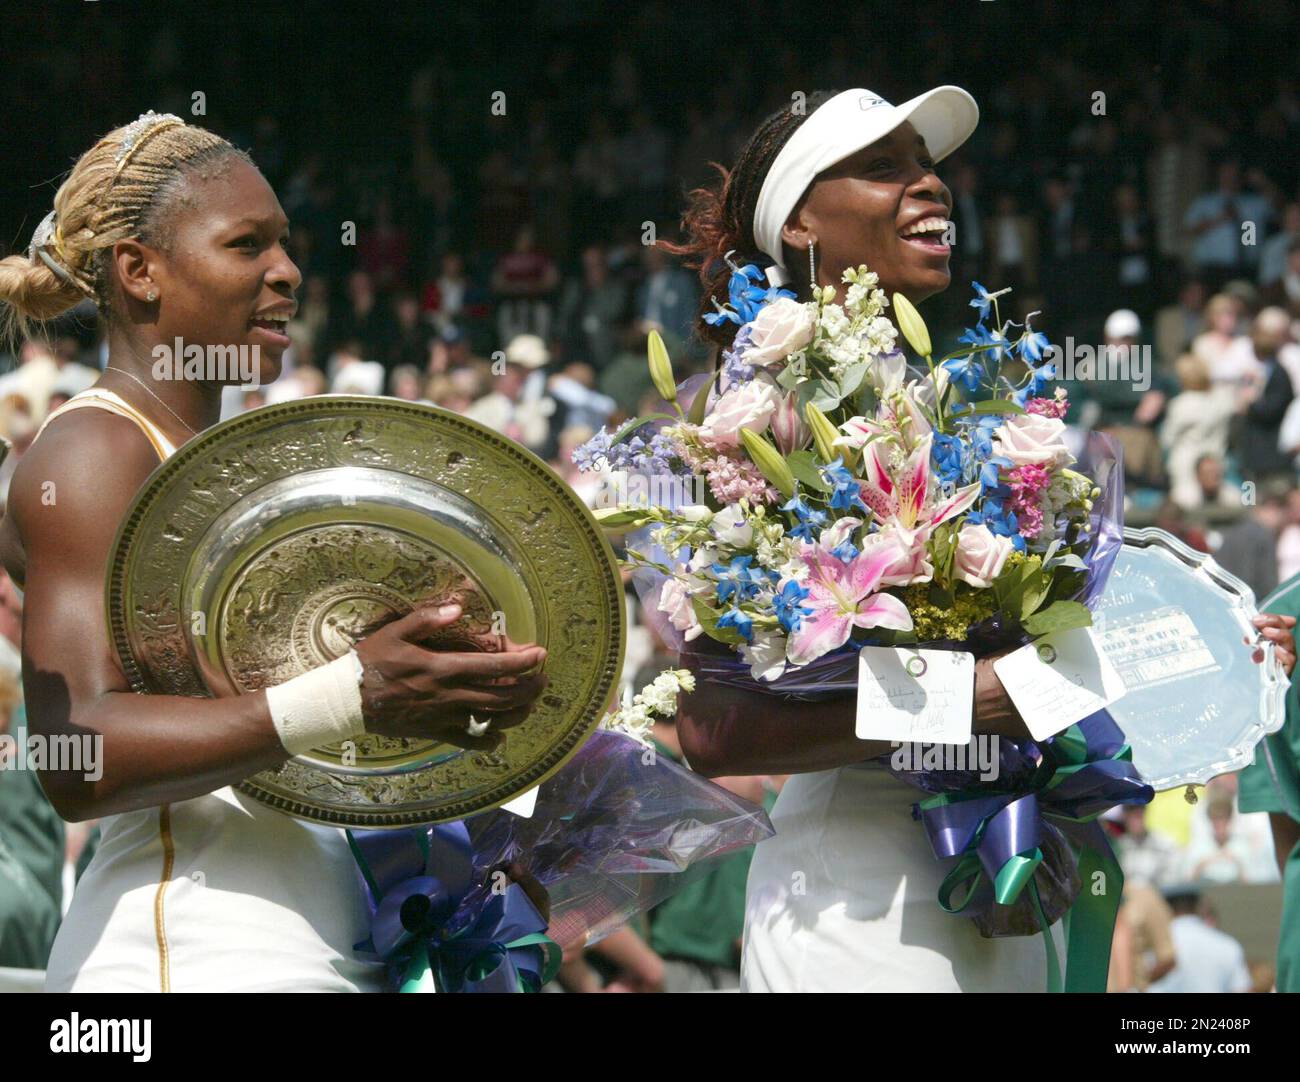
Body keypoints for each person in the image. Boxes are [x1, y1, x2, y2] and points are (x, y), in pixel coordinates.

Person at [664, 84, 1297, 994]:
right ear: (801, 224)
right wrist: (959, 700)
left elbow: (1040, 676)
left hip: (1005, 867)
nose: (931, 186)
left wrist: (1208, 657)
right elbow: (711, 728)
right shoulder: (748, 420)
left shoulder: (955, 410)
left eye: (928, 166)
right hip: (860, 892)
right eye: (886, 168)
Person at [0, 112, 550, 992]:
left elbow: (317, 733)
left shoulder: (229, 472)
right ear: (139, 271)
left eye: (286, 243)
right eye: (246, 244)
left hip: (307, 942)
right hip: (189, 952)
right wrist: (355, 693)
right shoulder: (96, 450)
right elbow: (76, 753)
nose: (287, 271)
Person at [1147, 886, 1252, 994]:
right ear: (1197, 905)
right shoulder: (1228, 945)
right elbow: (1241, 988)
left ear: (1164, 907)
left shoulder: (1154, 945)